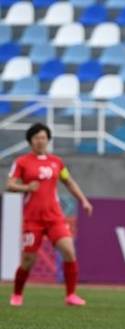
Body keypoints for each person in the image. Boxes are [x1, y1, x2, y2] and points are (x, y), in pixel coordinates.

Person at [7, 123, 93, 307]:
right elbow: (10, 184)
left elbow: (68, 182)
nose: (40, 141)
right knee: (28, 260)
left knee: (69, 251)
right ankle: (17, 294)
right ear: (30, 140)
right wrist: (26, 187)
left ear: (48, 140)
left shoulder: (56, 162)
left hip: (54, 218)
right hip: (33, 219)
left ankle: (71, 295)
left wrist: (83, 200)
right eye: (37, 137)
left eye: (44, 137)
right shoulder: (22, 162)